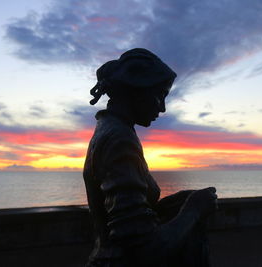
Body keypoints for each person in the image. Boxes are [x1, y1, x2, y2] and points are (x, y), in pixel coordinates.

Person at [83, 48, 218, 267]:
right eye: (160, 95)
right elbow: (144, 250)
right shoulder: (119, 140)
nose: (162, 108)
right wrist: (193, 209)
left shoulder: (112, 130)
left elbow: (126, 221)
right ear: (136, 91)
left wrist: (171, 205)